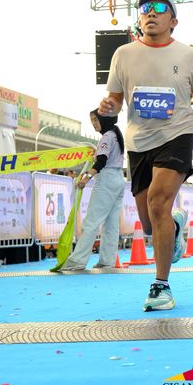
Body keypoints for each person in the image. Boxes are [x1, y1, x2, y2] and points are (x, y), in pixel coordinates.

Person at [99, 0, 193, 311]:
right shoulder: (123, 54)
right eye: (145, 10)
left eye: (159, 9)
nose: (150, 13)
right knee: (151, 224)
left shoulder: (189, 54)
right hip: (139, 142)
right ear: (139, 19)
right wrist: (109, 106)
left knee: (158, 201)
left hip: (177, 134)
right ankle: (174, 226)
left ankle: (160, 286)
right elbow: (115, 98)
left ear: (173, 21)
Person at [61, 110, 125, 271]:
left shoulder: (107, 137)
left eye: (96, 120)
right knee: (111, 223)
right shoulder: (116, 136)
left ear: (104, 119)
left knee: (91, 221)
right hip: (118, 178)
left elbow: (101, 161)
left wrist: (86, 178)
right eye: (92, 121)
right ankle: (107, 261)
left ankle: (77, 261)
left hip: (107, 178)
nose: (94, 124)